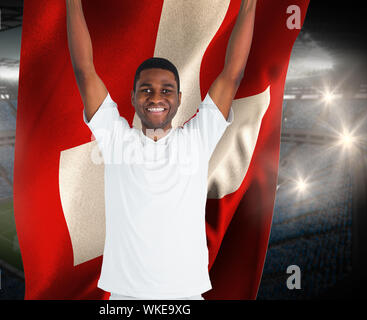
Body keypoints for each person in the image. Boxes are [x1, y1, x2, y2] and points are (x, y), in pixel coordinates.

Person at [66, 0, 256, 300]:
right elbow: (83, 69)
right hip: (126, 299)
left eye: (166, 90)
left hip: (185, 297)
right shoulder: (117, 140)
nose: (156, 97)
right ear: (132, 98)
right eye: (146, 90)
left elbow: (233, 73)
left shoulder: (197, 138)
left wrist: (249, 5)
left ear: (179, 99)